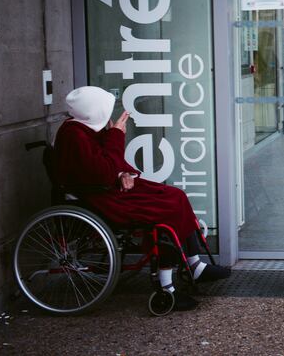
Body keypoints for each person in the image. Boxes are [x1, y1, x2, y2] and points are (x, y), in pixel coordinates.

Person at [53, 86, 230, 311]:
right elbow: (101, 171)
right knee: (165, 211)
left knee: (176, 196)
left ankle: (194, 264)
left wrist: (123, 173)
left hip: (108, 190)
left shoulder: (83, 129)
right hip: (102, 199)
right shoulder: (74, 135)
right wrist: (116, 136)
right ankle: (167, 287)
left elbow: (103, 166)